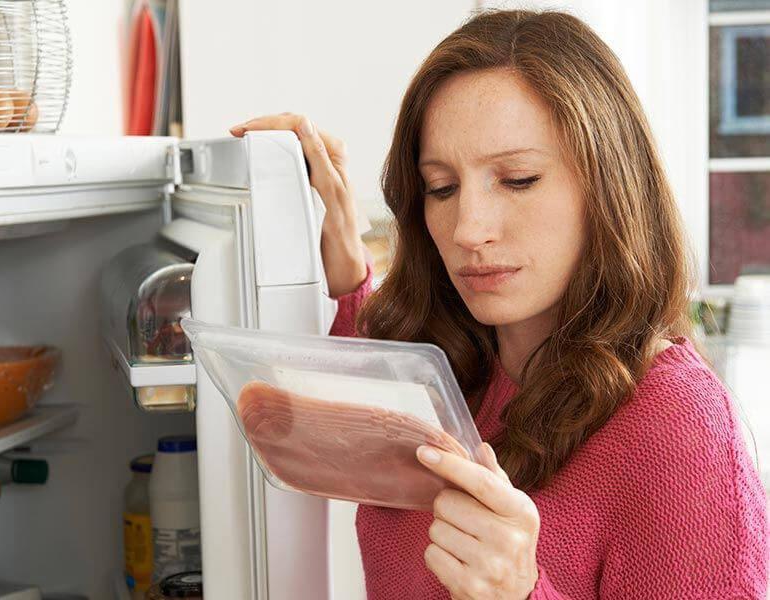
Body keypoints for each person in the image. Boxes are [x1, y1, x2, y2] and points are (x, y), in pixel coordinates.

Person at [229, 9, 769, 599]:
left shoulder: (676, 425)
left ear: (609, 187)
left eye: (517, 179)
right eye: (441, 187)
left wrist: (519, 591)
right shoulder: (446, 369)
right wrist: (342, 256)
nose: (468, 229)